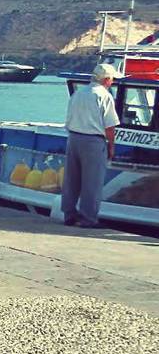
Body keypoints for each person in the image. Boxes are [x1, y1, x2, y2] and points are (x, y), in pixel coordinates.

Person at [61, 62, 120, 229]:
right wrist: (111, 146)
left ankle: (69, 214)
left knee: (72, 179)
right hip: (93, 141)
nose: (112, 82)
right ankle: (88, 219)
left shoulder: (79, 93)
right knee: (92, 181)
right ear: (106, 79)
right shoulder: (104, 96)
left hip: (73, 138)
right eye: (112, 79)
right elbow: (109, 126)